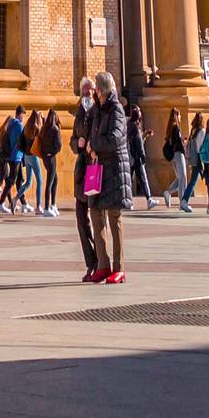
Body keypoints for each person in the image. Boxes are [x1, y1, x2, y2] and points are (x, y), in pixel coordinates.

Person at [83, 69, 133, 281]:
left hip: (113, 170)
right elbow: (88, 132)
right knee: (95, 213)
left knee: (114, 217)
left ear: (102, 90)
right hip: (98, 169)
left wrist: (94, 145)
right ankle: (103, 265)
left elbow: (115, 139)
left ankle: (118, 267)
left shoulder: (116, 110)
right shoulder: (98, 109)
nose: (94, 93)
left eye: (96, 89)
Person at [70, 79, 99, 276]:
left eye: (89, 94)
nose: (86, 97)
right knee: (81, 219)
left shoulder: (99, 114)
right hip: (81, 170)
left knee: (96, 218)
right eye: (84, 94)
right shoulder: (79, 115)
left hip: (94, 170)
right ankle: (90, 262)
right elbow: (72, 140)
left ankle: (101, 261)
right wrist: (78, 144)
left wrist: (92, 144)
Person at [0, 109, 23, 211]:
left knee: (6, 181)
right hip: (4, 159)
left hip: (2, 159)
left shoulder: (2, 131)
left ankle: (10, 204)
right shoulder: (6, 131)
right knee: (2, 181)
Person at [125, 92, 155, 210]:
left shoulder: (129, 124)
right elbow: (138, 142)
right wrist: (143, 156)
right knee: (142, 178)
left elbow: (137, 139)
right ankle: (149, 199)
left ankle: (128, 201)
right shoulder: (136, 127)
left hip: (131, 156)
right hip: (137, 156)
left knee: (129, 180)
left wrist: (145, 135)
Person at [37, 107, 62, 217]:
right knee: (50, 182)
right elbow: (59, 145)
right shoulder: (55, 129)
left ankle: (53, 204)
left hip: (45, 158)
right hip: (51, 157)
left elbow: (40, 143)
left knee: (54, 179)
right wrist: (52, 152)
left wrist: (44, 154)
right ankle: (47, 207)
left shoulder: (44, 128)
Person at [163, 109, 189, 211]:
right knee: (183, 178)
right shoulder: (176, 127)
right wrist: (184, 142)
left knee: (180, 177)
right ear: (176, 116)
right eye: (179, 115)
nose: (180, 117)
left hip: (173, 156)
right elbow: (177, 142)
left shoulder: (170, 128)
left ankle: (168, 192)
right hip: (178, 154)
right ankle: (182, 201)